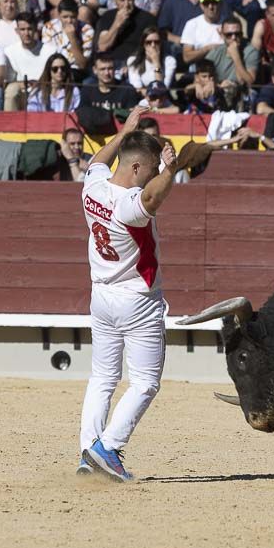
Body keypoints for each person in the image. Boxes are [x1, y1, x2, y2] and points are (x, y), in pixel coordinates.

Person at [78, 106, 202, 481]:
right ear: (135, 168)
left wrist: (125, 131)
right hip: (136, 298)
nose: (149, 178)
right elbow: (152, 200)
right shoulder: (128, 205)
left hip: (101, 296)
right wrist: (171, 170)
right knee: (145, 381)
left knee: (103, 377)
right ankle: (108, 448)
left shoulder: (92, 186)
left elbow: (97, 162)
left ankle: (88, 451)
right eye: (147, 171)